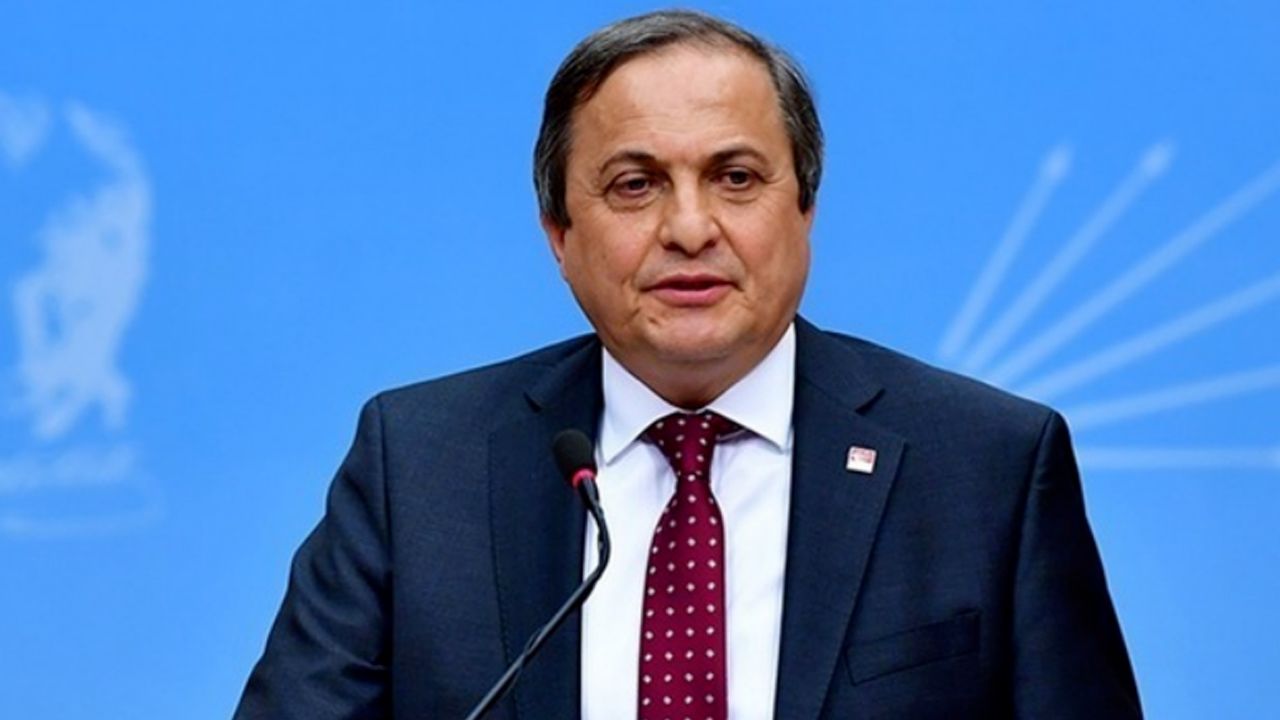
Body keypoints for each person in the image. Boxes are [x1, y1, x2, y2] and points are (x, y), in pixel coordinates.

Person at [235, 10, 1141, 719]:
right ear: (559, 234)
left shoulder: (988, 467)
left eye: (736, 178)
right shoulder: (420, 465)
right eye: (635, 185)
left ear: (806, 210)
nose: (690, 228)